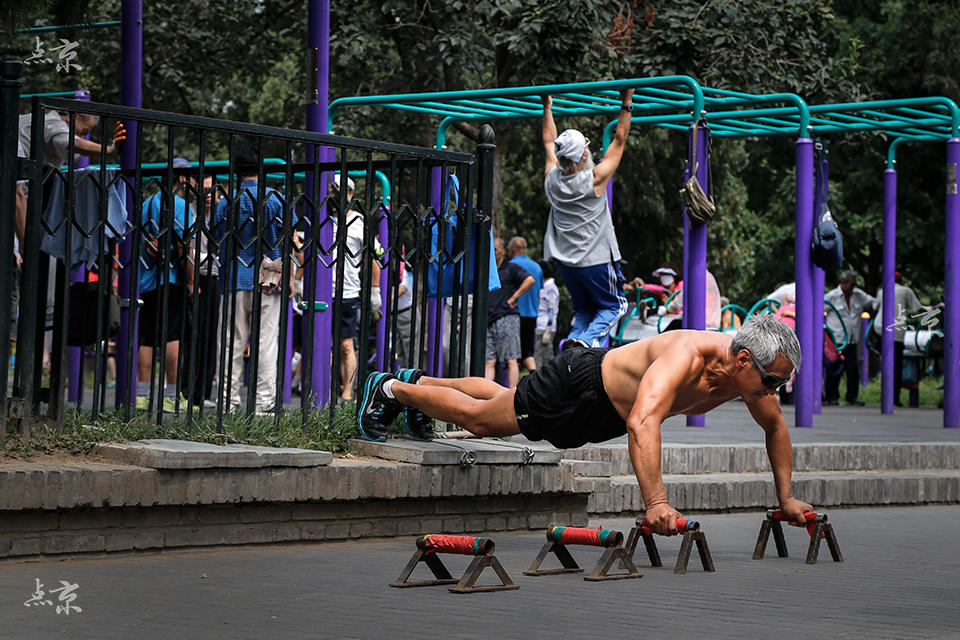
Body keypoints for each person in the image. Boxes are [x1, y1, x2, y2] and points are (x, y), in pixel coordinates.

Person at [357, 314, 813, 535]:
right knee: (481, 422)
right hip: (578, 388)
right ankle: (390, 391)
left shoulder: (748, 381)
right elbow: (644, 420)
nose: (773, 392)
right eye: (772, 381)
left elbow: (776, 430)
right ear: (744, 359)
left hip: (597, 413)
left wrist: (786, 497)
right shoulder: (687, 355)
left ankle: (418, 383)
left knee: (502, 400)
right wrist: (656, 501)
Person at [540, 89, 634, 349]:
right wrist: (626, 102)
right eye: (587, 147)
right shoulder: (595, 180)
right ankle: (583, 340)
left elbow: (549, 141)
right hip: (595, 260)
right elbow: (620, 140)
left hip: (566, 263)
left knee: (584, 309)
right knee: (617, 305)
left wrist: (547, 106)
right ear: (583, 156)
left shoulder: (552, 179)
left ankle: (572, 344)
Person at [213, 146, 295, 413]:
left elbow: (216, 237)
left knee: (231, 342)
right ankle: (263, 403)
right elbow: (289, 242)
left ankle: (228, 401)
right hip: (268, 280)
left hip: (234, 277)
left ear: (236, 173)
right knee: (266, 342)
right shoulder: (277, 200)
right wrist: (290, 277)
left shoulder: (226, 202)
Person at [135, 158, 195, 412]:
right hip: (171, 278)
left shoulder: (147, 204)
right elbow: (185, 245)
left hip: (146, 279)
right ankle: (172, 396)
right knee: (173, 336)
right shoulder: (181, 205)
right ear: (181, 179)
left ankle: (141, 396)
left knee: (147, 338)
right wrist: (191, 280)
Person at [329, 174, 382, 402]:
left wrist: (375, 292)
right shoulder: (322, 218)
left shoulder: (359, 223)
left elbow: (375, 257)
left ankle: (348, 393)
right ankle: (322, 391)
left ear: (350, 194)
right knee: (321, 343)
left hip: (347, 292)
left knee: (346, 344)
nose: (335, 196)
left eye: (340, 191)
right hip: (321, 292)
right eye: (332, 191)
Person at [485, 238, 535, 389]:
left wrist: (514, 297)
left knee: (511, 359)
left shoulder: (511, 268)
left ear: (503, 251)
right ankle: (485, 393)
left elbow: (529, 280)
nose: (493, 253)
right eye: (491, 250)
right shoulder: (487, 270)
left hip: (507, 317)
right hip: (488, 318)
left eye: (496, 249)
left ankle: (512, 394)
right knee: (489, 361)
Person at [825, 270, 877, 406]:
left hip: (852, 339)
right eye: (851, 284)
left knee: (853, 368)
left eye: (854, 284)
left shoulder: (859, 296)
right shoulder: (832, 296)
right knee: (834, 369)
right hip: (837, 339)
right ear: (843, 283)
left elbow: (875, 302)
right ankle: (831, 396)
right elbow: (818, 308)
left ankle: (852, 396)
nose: (853, 287)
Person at [873, 271, 923, 407]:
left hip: (880, 328)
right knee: (896, 365)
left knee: (886, 362)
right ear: (901, 281)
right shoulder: (906, 291)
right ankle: (894, 398)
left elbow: (874, 306)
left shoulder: (881, 291)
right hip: (896, 331)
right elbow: (918, 309)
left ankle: (885, 396)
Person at [507, 236, 543, 371]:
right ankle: (534, 377)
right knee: (528, 351)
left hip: (513, 314)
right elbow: (539, 292)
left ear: (512, 250)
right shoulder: (537, 267)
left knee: (512, 354)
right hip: (531, 314)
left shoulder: (510, 266)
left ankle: (509, 386)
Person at [535, 259, 559, 367]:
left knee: (544, 357)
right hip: (540, 324)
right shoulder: (544, 286)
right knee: (539, 355)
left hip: (545, 326)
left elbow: (552, 309)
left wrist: (548, 328)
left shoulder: (551, 288)